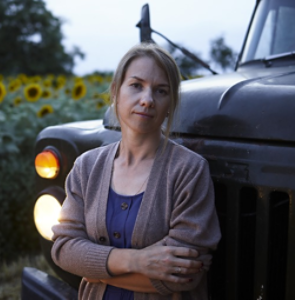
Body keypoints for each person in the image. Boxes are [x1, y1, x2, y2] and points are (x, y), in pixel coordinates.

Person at [51, 43, 221, 300]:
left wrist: (94, 268)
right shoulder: (86, 167)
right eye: (136, 85)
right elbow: (64, 249)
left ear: (170, 104)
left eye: (161, 91)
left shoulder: (189, 170)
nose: (147, 99)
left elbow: (185, 274)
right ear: (116, 92)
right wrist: (137, 261)